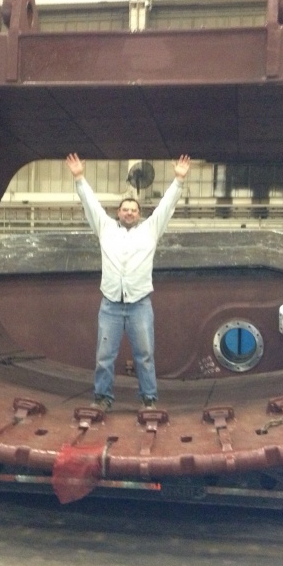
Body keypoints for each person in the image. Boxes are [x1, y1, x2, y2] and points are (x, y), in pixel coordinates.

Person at [66, 152, 191, 412]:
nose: (129, 213)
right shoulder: (105, 229)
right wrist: (79, 178)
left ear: (139, 213)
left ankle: (149, 400)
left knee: (145, 356)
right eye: (125, 209)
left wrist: (178, 181)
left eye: (133, 210)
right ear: (118, 212)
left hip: (139, 304)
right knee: (104, 357)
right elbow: (91, 204)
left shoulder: (151, 230)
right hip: (110, 304)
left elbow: (166, 206)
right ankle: (102, 398)